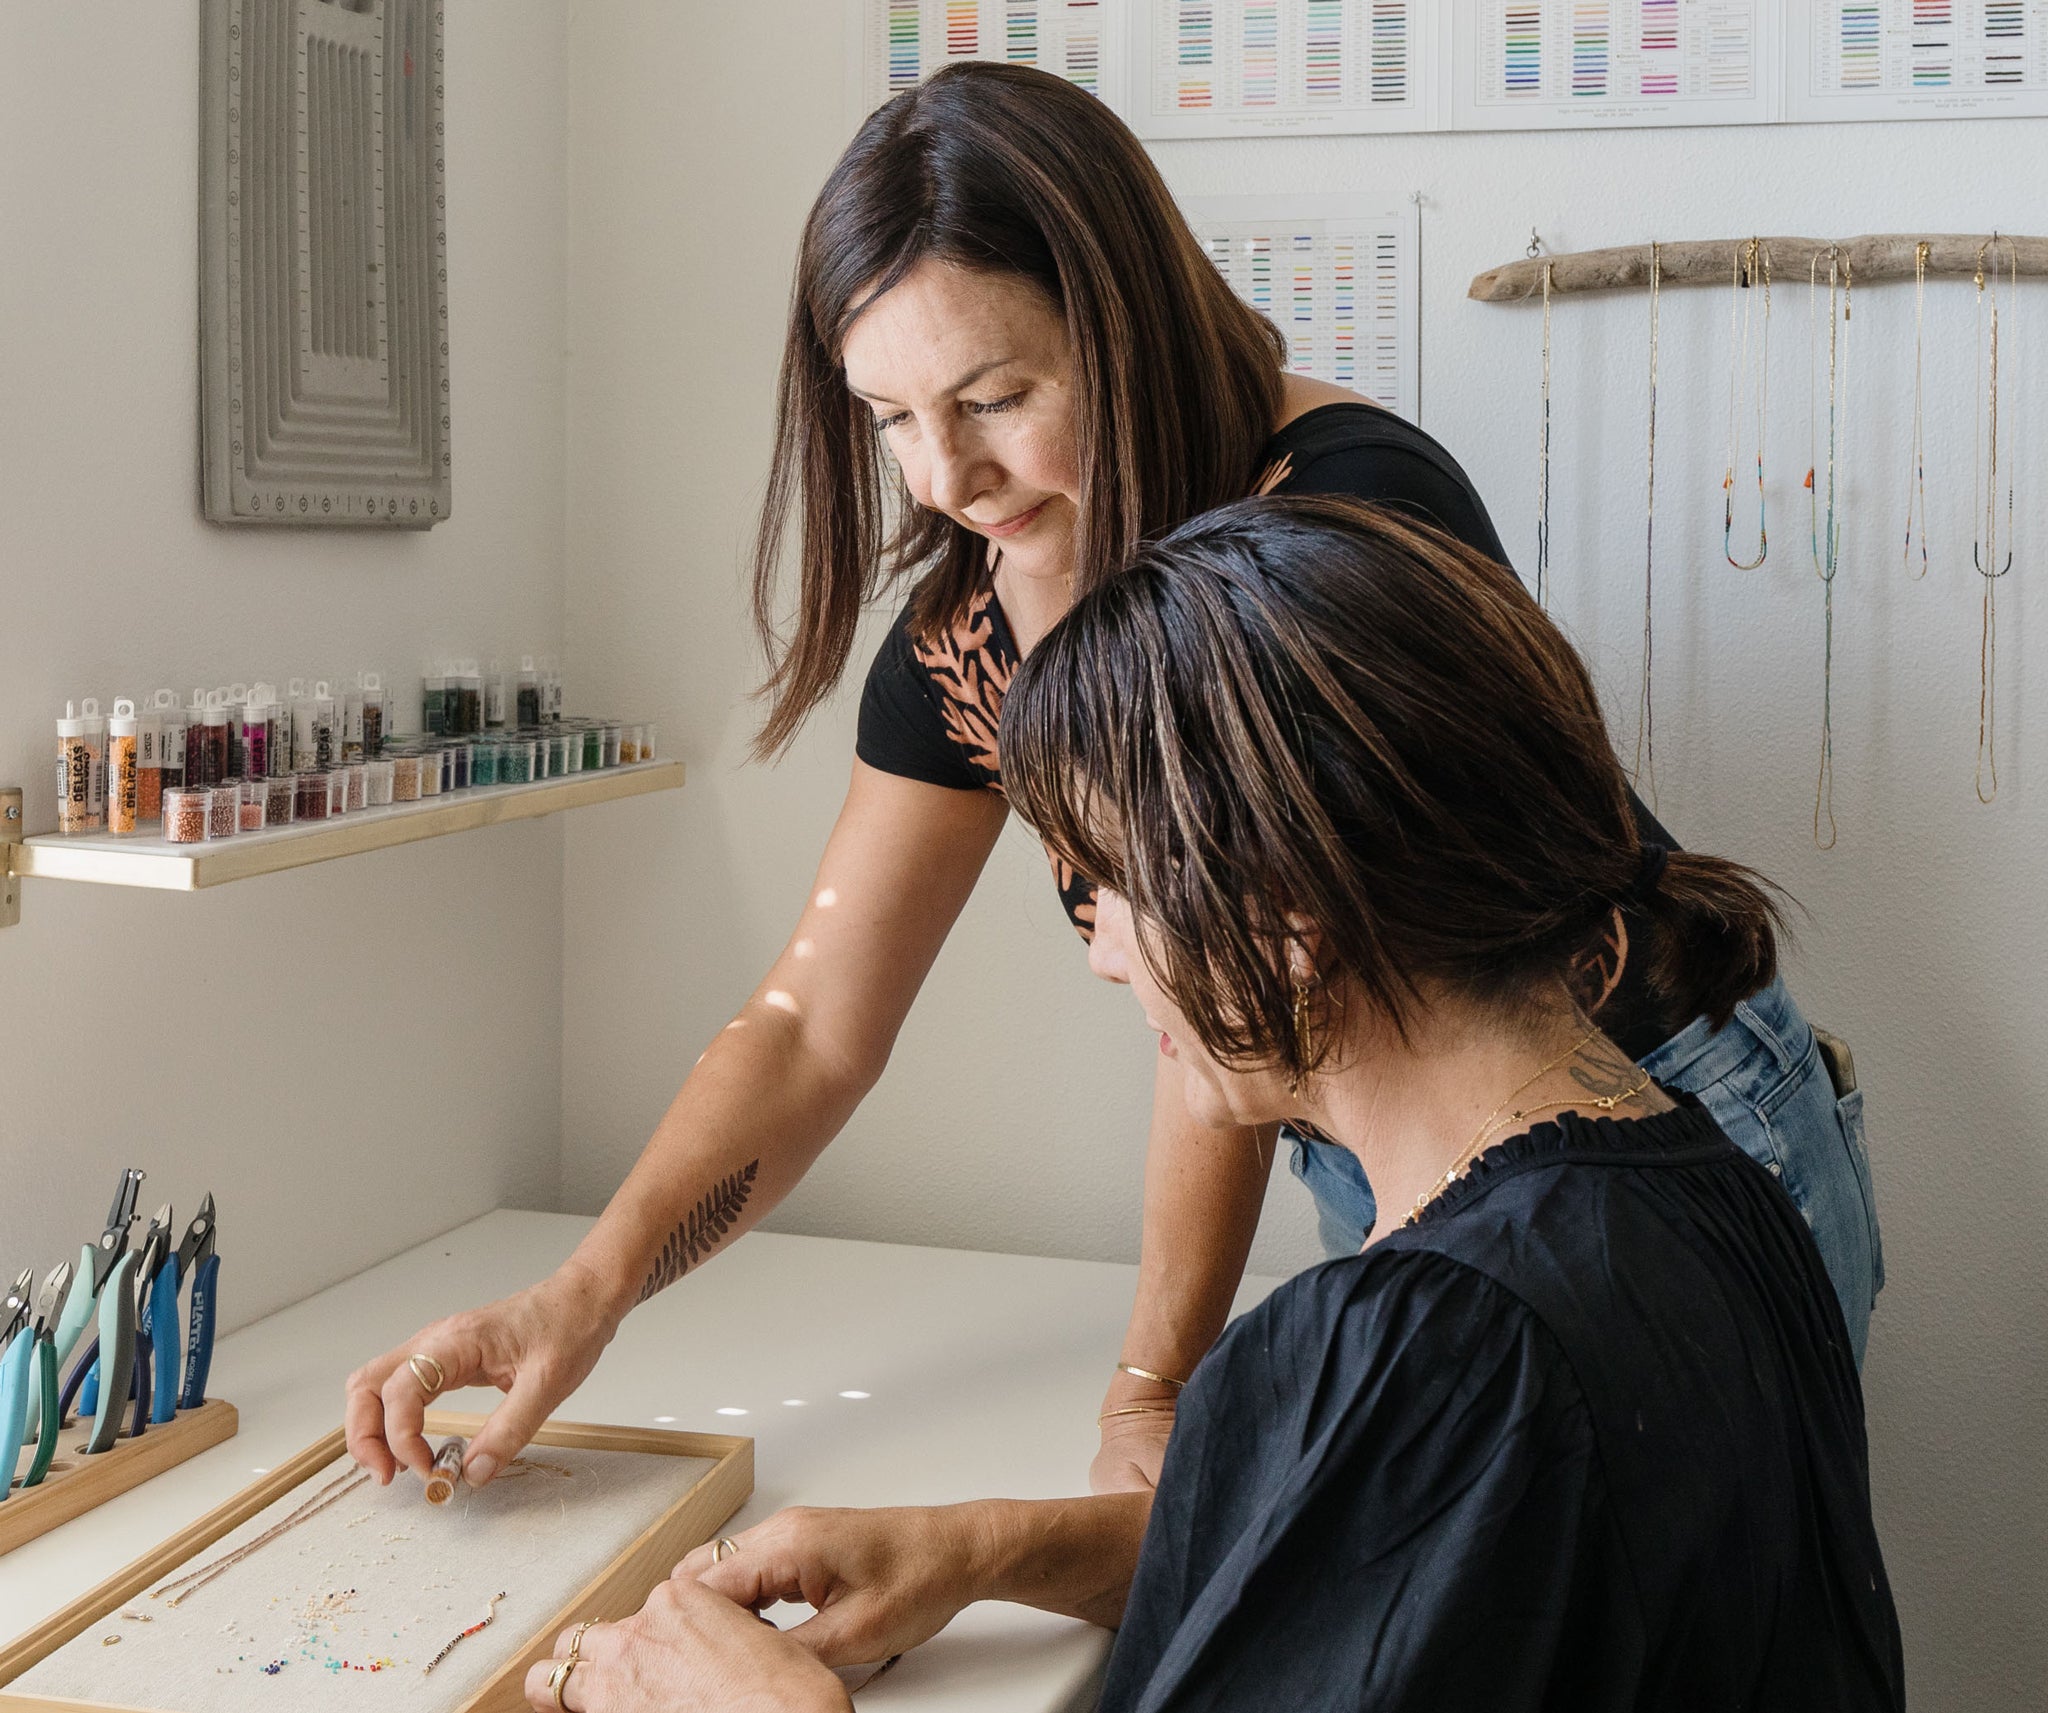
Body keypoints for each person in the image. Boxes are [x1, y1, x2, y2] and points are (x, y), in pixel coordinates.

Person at [346, 60, 1880, 1504]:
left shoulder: (1336, 523)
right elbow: (813, 1025)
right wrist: (584, 1292)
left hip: (1659, 1118)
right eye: (891, 420)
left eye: (993, 397)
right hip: (1399, 1174)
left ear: (1123, 322)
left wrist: (1152, 1379)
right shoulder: (968, 630)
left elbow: (1253, 962)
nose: (945, 479)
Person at [521, 498, 1904, 1713]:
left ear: (1287, 918)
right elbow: (1391, 1571)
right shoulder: (1712, 1188)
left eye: (1112, 885)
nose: (1105, 952)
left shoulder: (1442, 1349)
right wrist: (987, 1546)